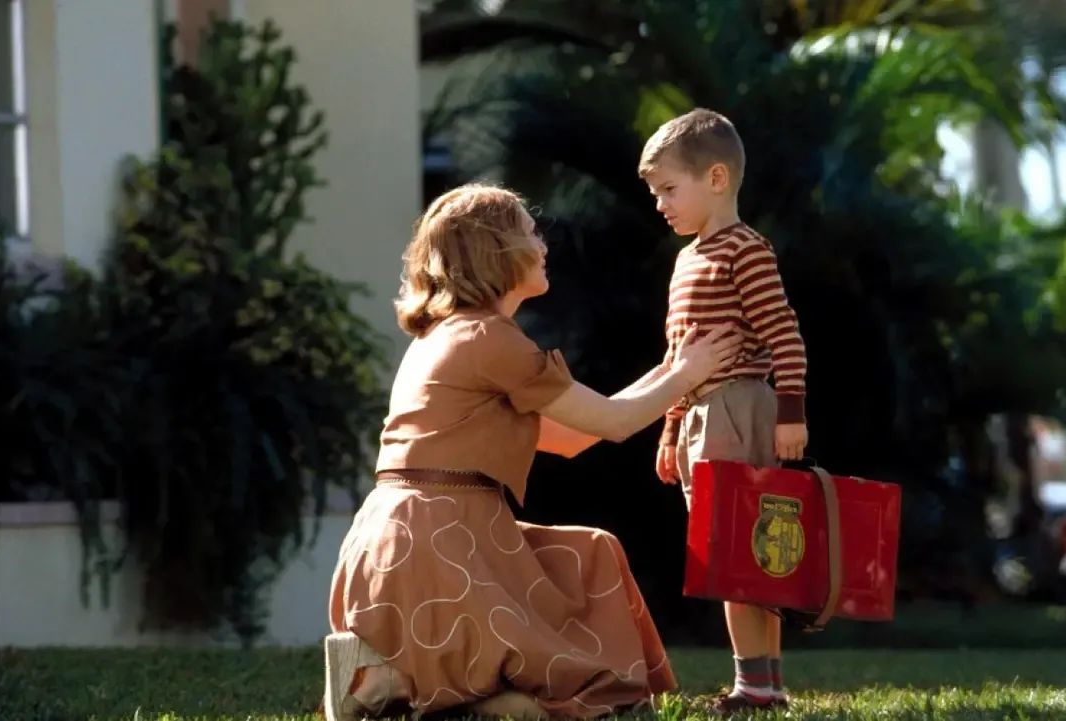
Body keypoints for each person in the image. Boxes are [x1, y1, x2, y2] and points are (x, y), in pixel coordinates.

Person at [323, 183, 743, 720]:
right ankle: (413, 687)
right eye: (529, 231)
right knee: (553, 648)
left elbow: (572, 438)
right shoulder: (487, 340)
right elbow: (614, 424)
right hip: (434, 545)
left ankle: (417, 686)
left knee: (590, 551)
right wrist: (691, 371)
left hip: (407, 543)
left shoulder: (453, 337)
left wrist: (672, 371)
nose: (543, 245)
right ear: (494, 251)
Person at [638, 108, 809, 715]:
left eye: (668, 189)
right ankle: (765, 686)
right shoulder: (687, 259)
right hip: (702, 416)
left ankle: (755, 686)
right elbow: (676, 357)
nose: (660, 204)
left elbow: (784, 334)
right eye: (655, 192)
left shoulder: (745, 249)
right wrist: (670, 428)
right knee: (739, 556)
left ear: (715, 178)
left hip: (742, 409)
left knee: (747, 555)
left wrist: (791, 411)